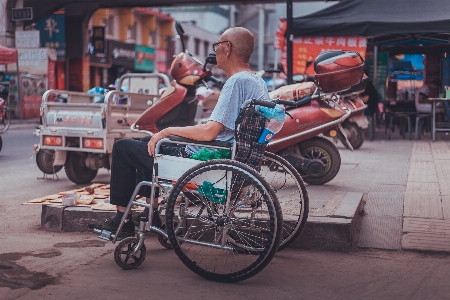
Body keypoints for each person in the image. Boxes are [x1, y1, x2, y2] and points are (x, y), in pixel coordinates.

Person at [100, 27, 270, 234]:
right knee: (147, 144)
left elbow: (209, 132)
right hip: (232, 155)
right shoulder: (256, 81)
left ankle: (121, 219)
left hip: (209, 159)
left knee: (122, 148)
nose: (215, 50)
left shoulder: (236, 82)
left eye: (217, 45)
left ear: (227, 49)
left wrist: (168, 131)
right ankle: (151, 214)